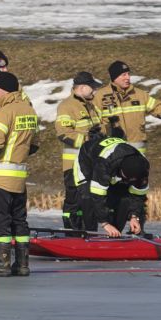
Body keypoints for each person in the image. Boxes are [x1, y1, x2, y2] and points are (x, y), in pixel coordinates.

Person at [0, 72, 39, 277]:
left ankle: (2, 263)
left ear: (4, 90)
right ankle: (22, 264)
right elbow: (34, 145)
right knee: (19, 220)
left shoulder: (5, 112)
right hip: (18, 178)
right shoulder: (29, 110)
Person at [94, 60, 161, 153]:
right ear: (114, 77)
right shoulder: (99, 96)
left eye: (128, 74)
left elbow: (159, 109)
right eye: (124, 75)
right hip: (111, 151)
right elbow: (92, 123)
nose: (128, 77)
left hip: (136, 152)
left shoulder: (140, 95)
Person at [74, 135, 150, 238]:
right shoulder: (105, 163)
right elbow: (97, 195)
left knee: (125, 198)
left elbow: (138, 196)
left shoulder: (142, 168)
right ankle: (89, 234)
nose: (128, 181)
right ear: (121, 171)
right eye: (126, 178)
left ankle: (115, 235)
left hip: (115, 165)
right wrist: (105, 223)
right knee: (88, 195)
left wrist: (134, 216)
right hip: (87, 161)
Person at [54, 71, 101, 229]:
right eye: (92, 88)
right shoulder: (67, 106)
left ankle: (90, 232)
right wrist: (88, 139)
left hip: (90, 165)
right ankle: (72, 233)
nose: (94, 91)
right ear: (81, 88)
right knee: (74, 201)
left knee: (90, 200)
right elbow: (63, 133)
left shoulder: (91, 106)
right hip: (73, 165)